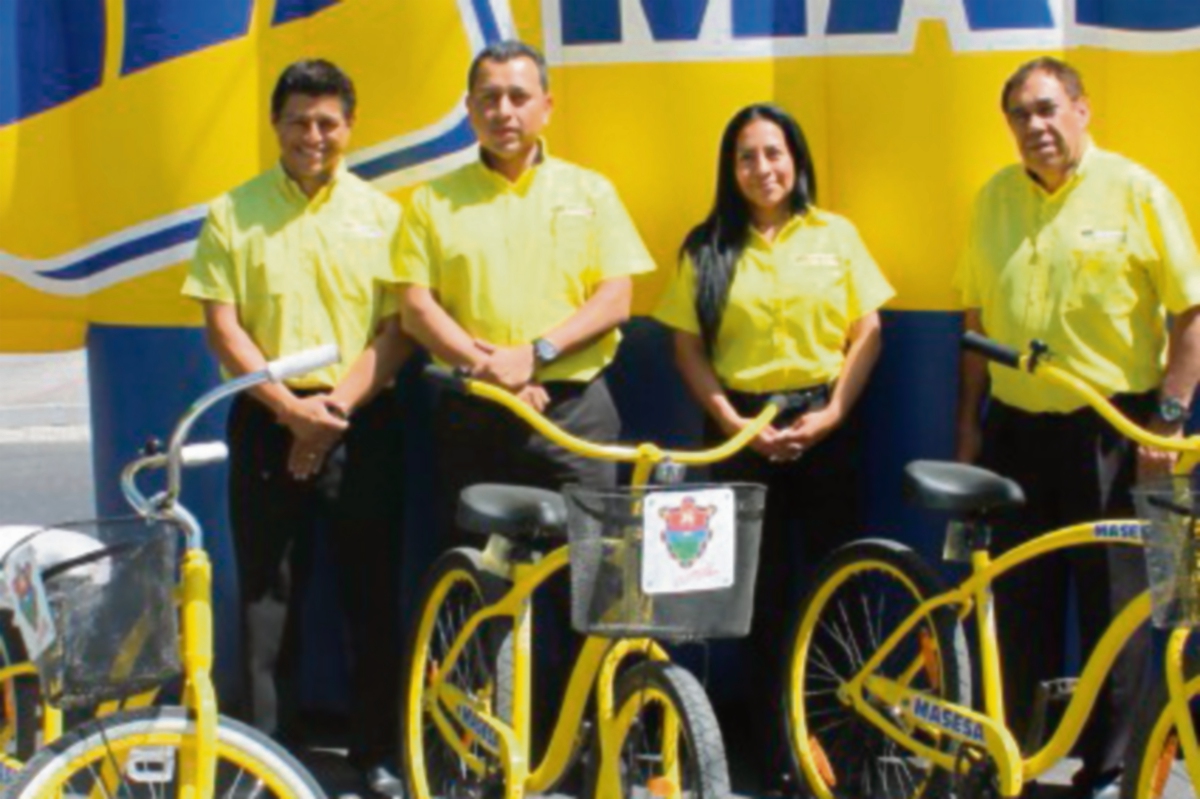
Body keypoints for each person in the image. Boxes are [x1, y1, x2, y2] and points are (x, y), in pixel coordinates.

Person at [393, 38, 654, 770]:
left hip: (577, 418)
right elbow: (416, 306)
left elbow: (617, 295)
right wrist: (490, 365)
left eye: (517, 96)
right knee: (484, 585)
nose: (503, 110)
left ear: (545, 105)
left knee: (597, 587)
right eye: (488, 97)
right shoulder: (433, 200)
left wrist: (533, 354)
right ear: (470, 108)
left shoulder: (589, 192)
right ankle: (485, 755)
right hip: (476, 413)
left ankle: (591, 754)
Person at [955, 56, 1200, 799]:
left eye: (1047, 108)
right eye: (1020, 115)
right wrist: (968, 426)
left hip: (1115, 433)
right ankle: (1009, 761)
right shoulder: (993, 198)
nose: (1036, 126)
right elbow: (974, 321)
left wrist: (1166, 420)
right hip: (1017, 434)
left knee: (1120, 609)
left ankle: (1111, 770)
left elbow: (1191, 312)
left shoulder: (1137, 190)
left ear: (1082, 110)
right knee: (1016, 600)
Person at [182, 59, 411, 796]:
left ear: (349, 126)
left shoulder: (382, 215)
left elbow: (399, 328)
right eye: (299, 121)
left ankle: (376, 750)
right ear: (275, 124)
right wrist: (290, 411)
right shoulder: (233, 212)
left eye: (328, 121)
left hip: (363, 417)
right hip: (265, 417)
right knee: (265, 598)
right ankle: (265, 756)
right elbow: (224, 327)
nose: (314, 135)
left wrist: (333, 412)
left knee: (371, 591)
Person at [654, 102, 894, 796]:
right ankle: (776, 749)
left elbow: (867, 329)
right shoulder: (707, 247)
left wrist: (834, 413)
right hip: (738, 431)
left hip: (827, 426)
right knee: (755, 601)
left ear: (797, 159)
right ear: (731, 170)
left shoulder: (836, 235)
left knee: (838, 587)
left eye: (775, 152)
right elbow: (686, 345)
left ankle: (842, 745)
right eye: (747, 156)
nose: (764, 167)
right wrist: (734, 420)